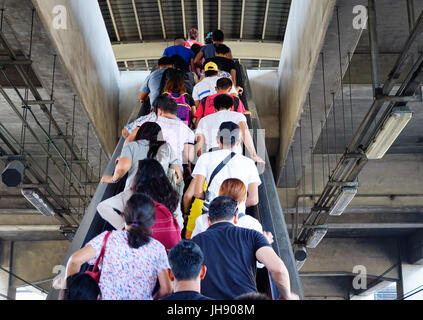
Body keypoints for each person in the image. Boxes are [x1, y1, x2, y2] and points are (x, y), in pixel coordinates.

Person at [60, 193, 172, 300]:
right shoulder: (158, 249)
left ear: (124, 216)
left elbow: (74, 260)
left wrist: (72, 293)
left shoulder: (108, 238)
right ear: (151, 222)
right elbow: (166, 289)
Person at [191, 196, 299, 300]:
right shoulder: (252, 235)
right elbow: (279, 269)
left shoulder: (193, 243)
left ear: (209, 220)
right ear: (235, 217)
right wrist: (286, 295)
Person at [97, 158, 184, 237]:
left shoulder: (131, 194)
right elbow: (179, 222)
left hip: (142, 241)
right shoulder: (170, 194)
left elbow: (102, 207)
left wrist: (124, 227)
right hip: (166, 242)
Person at [190, 121, 261, 211]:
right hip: (237, 217)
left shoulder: (205, 158)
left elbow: (197, 193)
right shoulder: (249, 163)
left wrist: (213, 201)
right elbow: (254, 199)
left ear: (217, 139)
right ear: (238, 141)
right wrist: (236, 207)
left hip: (212, 214)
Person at [100, 122, 182, 192]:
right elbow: (178, 176)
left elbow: (122, 167)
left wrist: (112, 179)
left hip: (133, 195)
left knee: (102, 207)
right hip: (158, 197)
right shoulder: (167, 147)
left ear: (141, 132)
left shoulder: (131, 146)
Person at [191, 179, 272, 245]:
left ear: (219, 194)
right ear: (244, 198)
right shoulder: (252, 224)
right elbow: (259, 263)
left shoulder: (202, 220)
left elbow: (193, 249)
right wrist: (265, 243)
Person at [125, 96, 195, 169]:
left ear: (159, 111)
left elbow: (129, 140)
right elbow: (189, 157)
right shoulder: (187, 130)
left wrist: (124, 157)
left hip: (144, 167)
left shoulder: (148, 121)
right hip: (173, 170)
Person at [195, 94, 262, 163]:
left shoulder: (204, 120)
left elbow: (199, 143)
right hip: (234, 157)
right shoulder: (239, 116)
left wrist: (200, 160)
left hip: (212, 159)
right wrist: (253, 155)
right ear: (231, 107)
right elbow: (245, 133)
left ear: (214, 108)